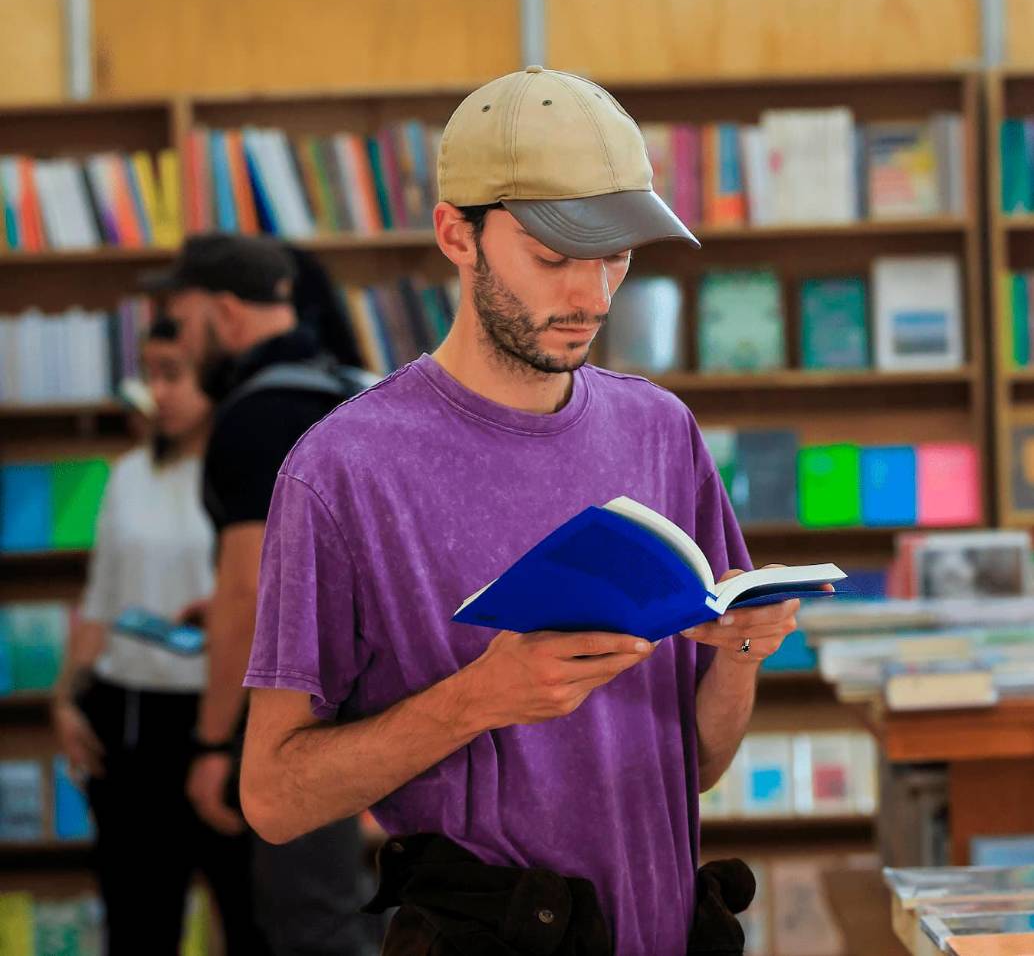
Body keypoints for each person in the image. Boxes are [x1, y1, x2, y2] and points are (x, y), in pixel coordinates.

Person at [238, 67, 807, 955]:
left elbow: (696, 769)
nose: (592, 296)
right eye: (553, 256)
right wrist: (477, 701)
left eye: (615, 254)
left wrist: (740, 649)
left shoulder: (661, 431)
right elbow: (272, 800)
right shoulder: (342, 471)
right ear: (454, 235)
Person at [158, 234, 374, 955]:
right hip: (405, 706)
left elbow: (250, 588)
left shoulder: (254, 414)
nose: (179, 342)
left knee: (309, 926)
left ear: (224, 312)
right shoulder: (358, 385)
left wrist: (214, 743)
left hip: (312, 722)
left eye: (182, 321)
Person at [51, 317, 266, 956]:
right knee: (138, 922)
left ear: (214, 380)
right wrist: (66, 697)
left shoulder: (249, 480)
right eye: (152, 375)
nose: (160, 392)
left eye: (175, 375)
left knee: (250, 917)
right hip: (129, 715)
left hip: (221, 717)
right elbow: (101, 604)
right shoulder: (126, 476)